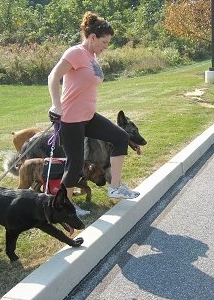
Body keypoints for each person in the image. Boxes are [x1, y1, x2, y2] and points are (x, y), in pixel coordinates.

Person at [47, 11, 140, 215]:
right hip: (71, 119)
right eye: (104, 42)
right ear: (92, 38)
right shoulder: (75, 53)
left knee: (120, 137)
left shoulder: (92, 57)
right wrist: (56, 105)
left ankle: (115, 186)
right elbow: (53, 76)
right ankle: (64, 206)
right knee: (75, 164)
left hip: (88, 116)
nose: (106, 47)